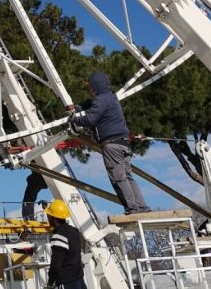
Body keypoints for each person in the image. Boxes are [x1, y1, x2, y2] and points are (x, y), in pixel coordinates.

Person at [69, 71, 150, 215]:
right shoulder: (111, 97)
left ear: (95, 87)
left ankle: (132, 209)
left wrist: (74, 119)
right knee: (127, 176)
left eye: (90, 88)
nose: (89, 91)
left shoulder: (101, 100)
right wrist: (78, 107)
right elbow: (91, 104)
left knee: (119, 178)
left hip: (112, 145)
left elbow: (90, 119)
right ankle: (142, 207)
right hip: (124, 143)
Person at [44, 199, 87, 289]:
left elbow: (56, 264)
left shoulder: (59, 236)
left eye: (49, 215)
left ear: (53, 218)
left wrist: (50, 283)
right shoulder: (74, 231)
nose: (48, 218)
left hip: (67, 283)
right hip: (80, 281)